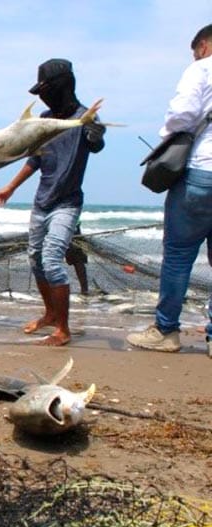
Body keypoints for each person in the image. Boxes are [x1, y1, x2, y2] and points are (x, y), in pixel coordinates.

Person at [0, 59, 106, 345]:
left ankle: (63, 330)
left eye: (44, 89)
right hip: (41, 202)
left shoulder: (85, 118)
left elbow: (96, 145)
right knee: (35, 258)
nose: (41, 96)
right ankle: (50, 314)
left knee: (53, 259)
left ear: (60, 86)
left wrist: (96, 134)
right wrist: (10, 187)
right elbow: (35, 158)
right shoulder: (43, 118)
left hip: (67, 203)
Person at [127, 25, 212, 355]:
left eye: (195, 51)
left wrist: (170, 138)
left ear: (203, 46)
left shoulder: (202, 68)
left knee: (178, 257)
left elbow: (182, 114)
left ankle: (166, 331)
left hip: (202, 172)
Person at [64, 223, 89, 296]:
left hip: (75, 239)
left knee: (79, 264)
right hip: (71, 238)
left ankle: (84, 290)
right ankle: (84, 290)